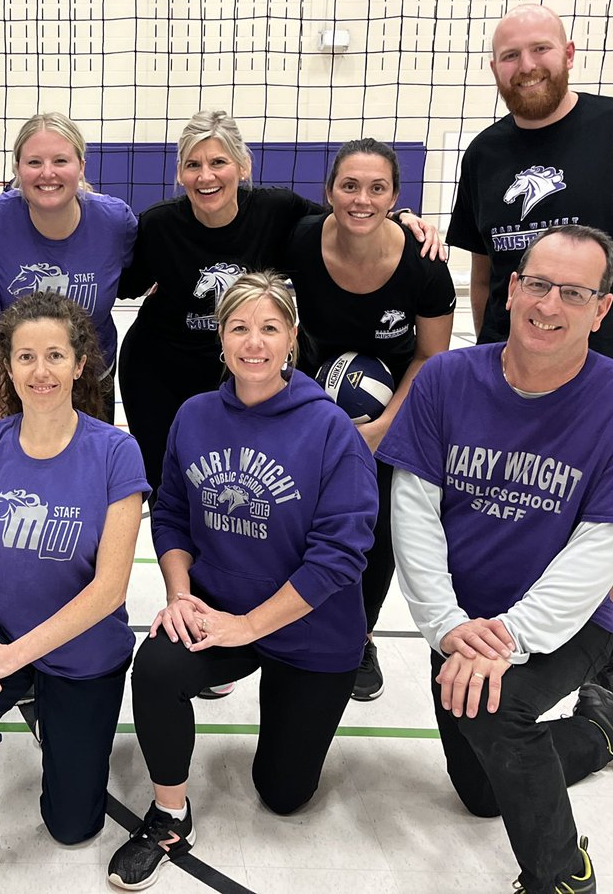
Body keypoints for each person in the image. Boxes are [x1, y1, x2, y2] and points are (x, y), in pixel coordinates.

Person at [376, 225, 613, 894]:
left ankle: (561, 874)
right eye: (540, 285)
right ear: (513, 288)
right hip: (463, 623)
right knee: (480, 791)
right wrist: (448, 626)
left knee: (493, 712)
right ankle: (602, 734)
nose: (550, 307)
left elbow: (602, 549)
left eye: (574, 293)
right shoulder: (445, 380)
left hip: (572, 625)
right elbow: (413, 514)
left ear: (601, 309)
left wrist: (512, 637)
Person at [447, 3, 613, 718]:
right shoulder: (486, 154)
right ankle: (514, 637)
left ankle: (603, 662)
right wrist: (490, 362)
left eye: (539, 50)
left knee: (605, 519)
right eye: (509, 56)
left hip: (611, 375)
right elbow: (488, 273)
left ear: (570, 52)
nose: (526, 66)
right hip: (515, 371)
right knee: (521, 503)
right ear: (493, 69)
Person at [107, 271, 378, 890]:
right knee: (155, 666)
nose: (253, 343)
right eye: (239, 328)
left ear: (291, 338)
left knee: (283, 796)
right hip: (220, 611)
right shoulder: (195, 416)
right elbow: (172, 512)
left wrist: (248, 625)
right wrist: (180, 595)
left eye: (269, 328)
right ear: (221, 339)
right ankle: (170, 815)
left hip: (311, 632)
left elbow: (339, 556)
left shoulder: (331, 429)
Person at [0, 291, 147, 894]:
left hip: (83, 647)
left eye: (56, 355)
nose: (41, 371)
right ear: (7, 367)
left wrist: (8, 660)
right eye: (25, 356)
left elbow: (109, 590)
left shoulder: (114, 451)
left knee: (73, 827)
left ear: (81, 365)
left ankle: (44, 701)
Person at [117, 110, 441, 497]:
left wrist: (402, 218)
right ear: (181, 173)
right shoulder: (159, 225)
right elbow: (119, 285)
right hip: (159, 371)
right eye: (193, 165)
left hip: (239, 368)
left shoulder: (277, 212)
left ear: (242, 166)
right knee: (168, 487)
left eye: (218, 162)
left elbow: (353, 217)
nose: (206, 176)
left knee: (234, 485)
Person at [279, 138, 455, 701]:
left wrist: (381, 429)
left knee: (375, 524)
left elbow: (432, 359)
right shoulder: (302, 240)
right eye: (350, 186)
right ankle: (280, 615)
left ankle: (360, 638)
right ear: (329, 192)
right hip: (309, 398)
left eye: (378, 189)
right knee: (291, 509)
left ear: (397, 197)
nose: (362, 199)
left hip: (397, 405)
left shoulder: (425, 267)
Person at [0, 113, 136, 419]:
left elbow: (136, 274)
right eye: (34, 162)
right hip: (16, 386)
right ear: (18, 170)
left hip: (91, 382)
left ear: (81, 167)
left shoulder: (115, 221)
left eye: (60, 161)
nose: (47, 173)